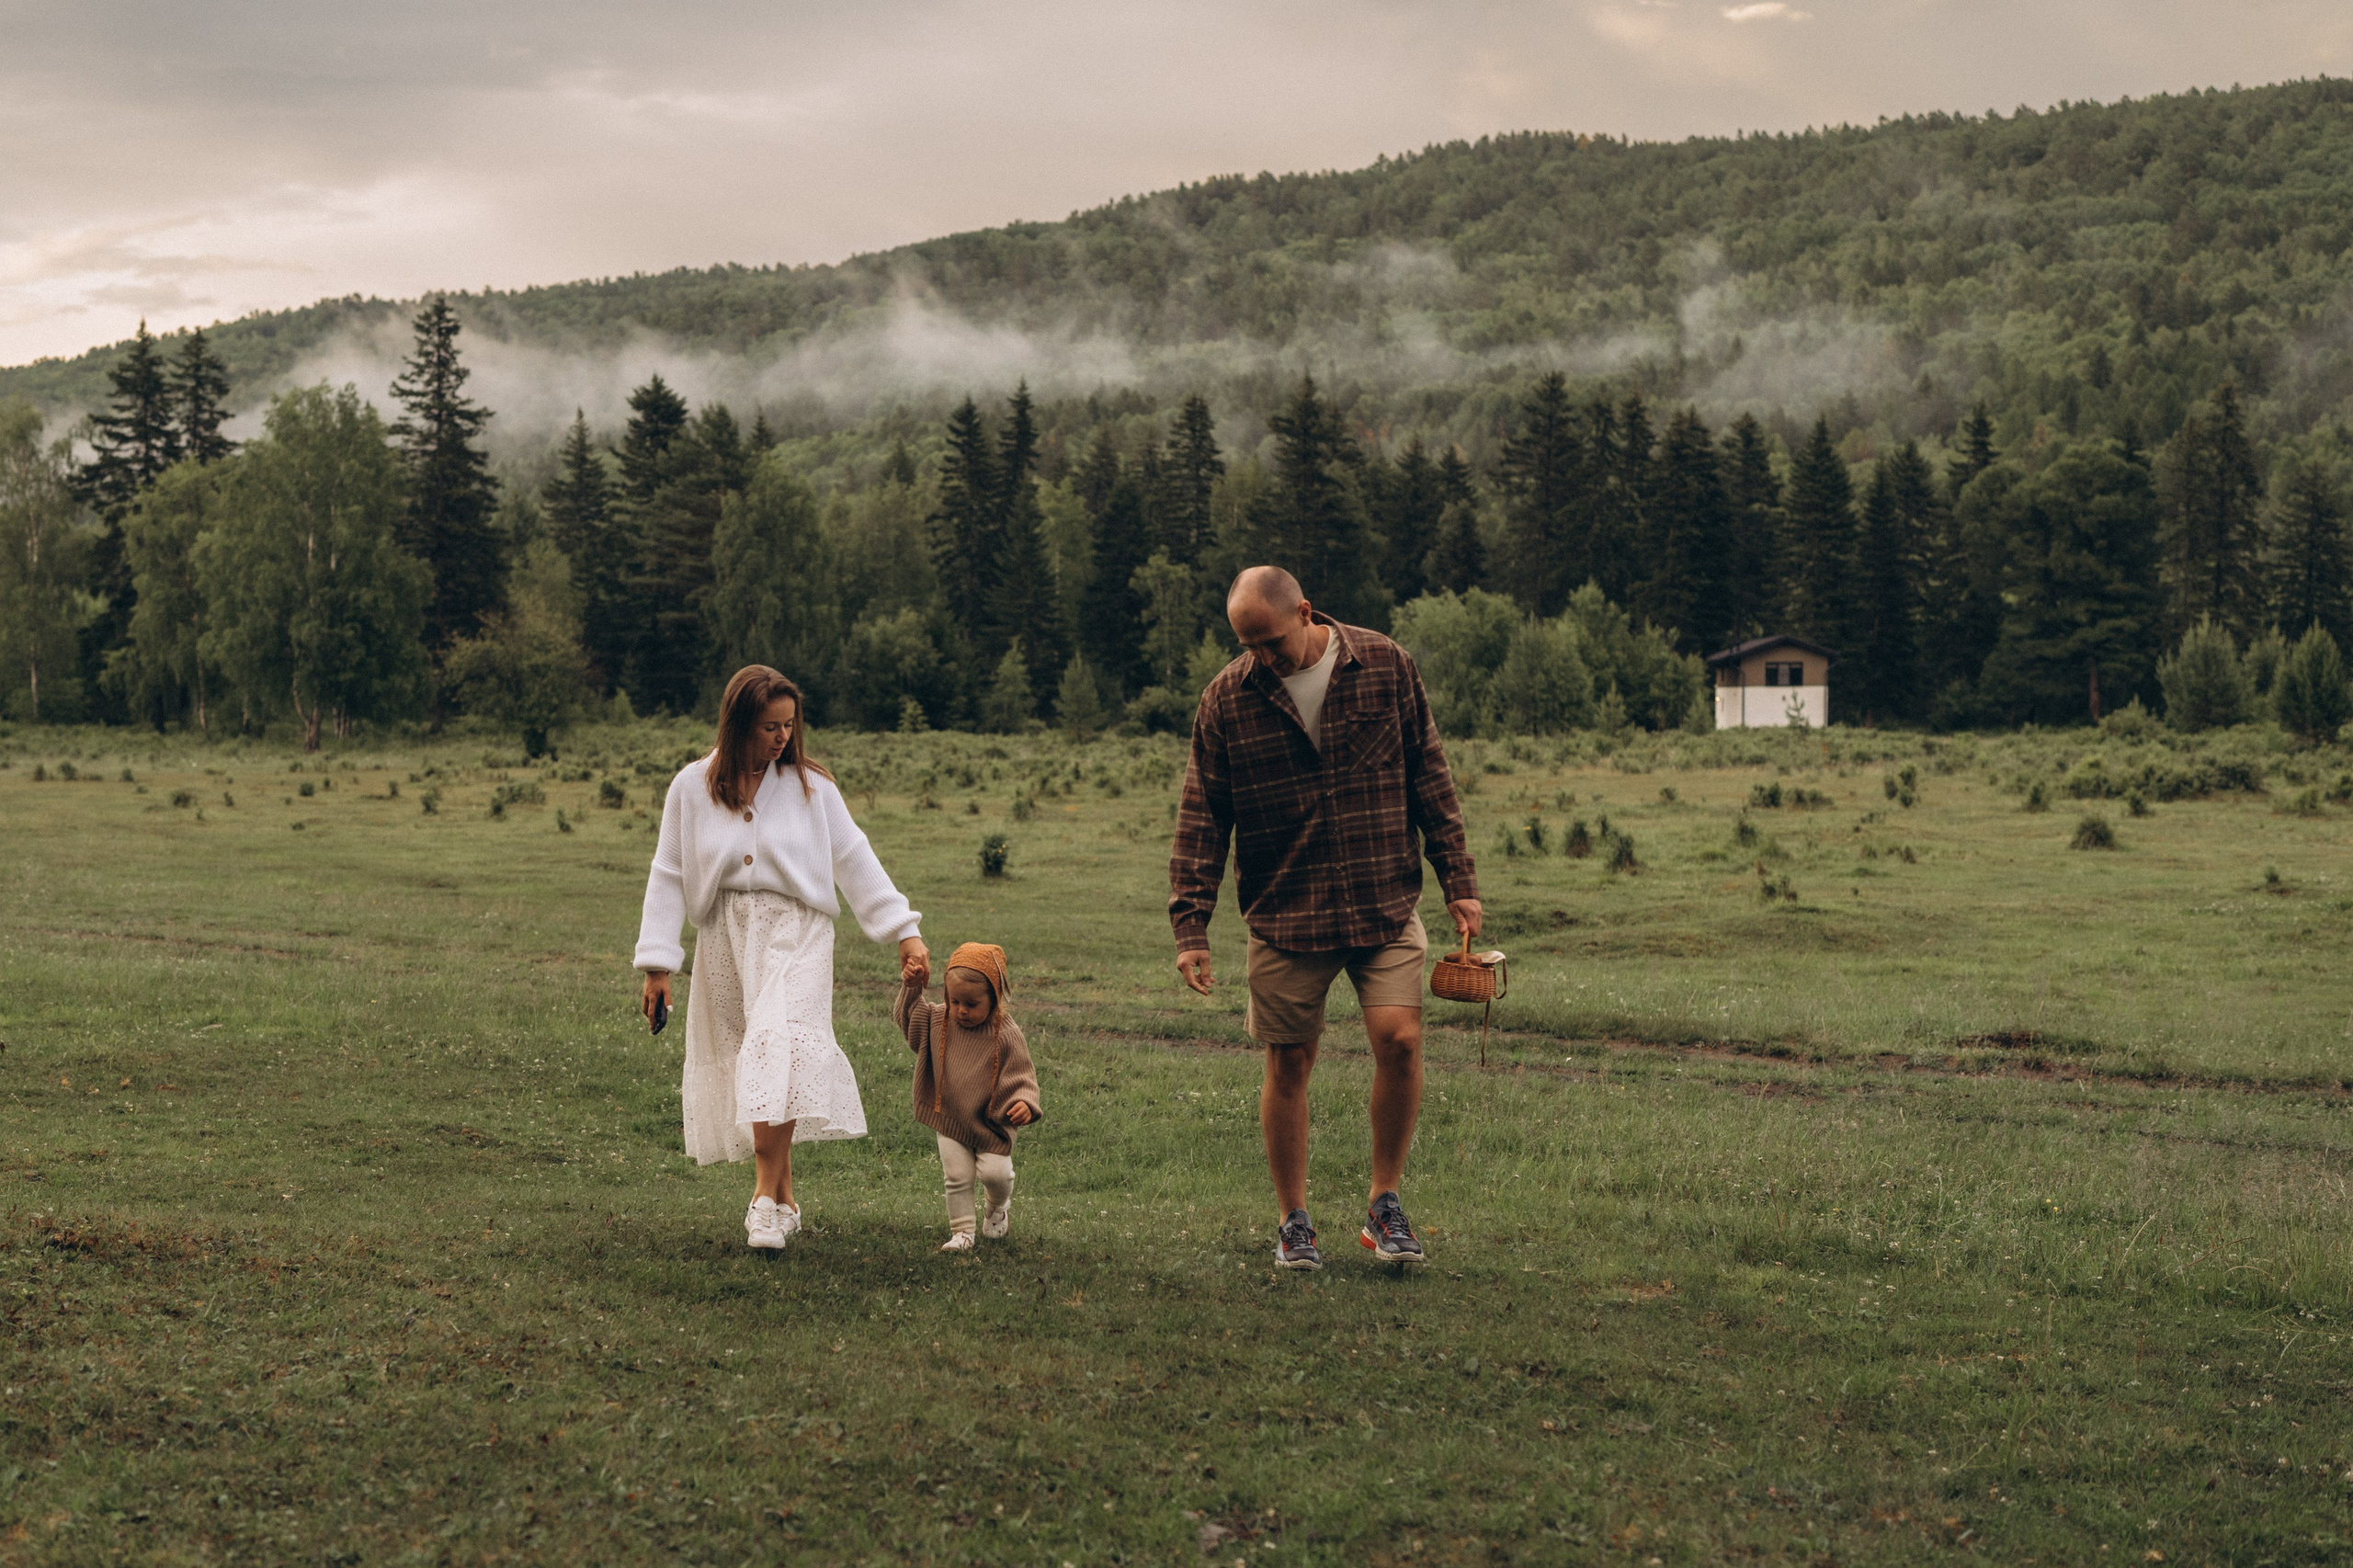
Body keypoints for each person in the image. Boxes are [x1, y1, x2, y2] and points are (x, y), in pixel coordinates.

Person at [1169, 566, 1480, 1270]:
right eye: (1249, 645)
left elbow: (1430, 774)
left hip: (1382, 895)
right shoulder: (1225, 699)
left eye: (1272, 641)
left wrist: (1458, 880)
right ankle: (1294, 1221)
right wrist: (1191, 926)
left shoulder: (1386, 665)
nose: (1264, 658)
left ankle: (1385, 1205)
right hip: (1286, 909)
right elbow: (1202, 817)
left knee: (1399, 1039)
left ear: (1306, 613)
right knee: (1289, 1061)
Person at [636, 665, 929, 1252]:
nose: (780, 738)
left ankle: (764, 1198)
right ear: (738, 722)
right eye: (770, 726)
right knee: (757, 1057)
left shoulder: (811, 787)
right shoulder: (692, 787)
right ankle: (787, 1199)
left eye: (789, 726)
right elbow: (668, 872)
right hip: (725, 936)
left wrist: (904, 931)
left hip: (797, 930)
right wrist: (657, 965)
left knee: (784, 1045)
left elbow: (852, 854)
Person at [895, 942, 1043, 1253]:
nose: (961, 1010)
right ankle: (963, 1232)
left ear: (995, 999)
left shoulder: (1005, 1034)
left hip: (991, 1122)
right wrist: (910, 987)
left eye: (972, 1004)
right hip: (949, 1116)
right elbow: (909, 1020)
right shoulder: (939, 1020)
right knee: (958, 1177)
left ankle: (997, 1208)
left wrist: (1024, 1103)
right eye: (954, 1000)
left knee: (996, 1174)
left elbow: (1023, 1076)